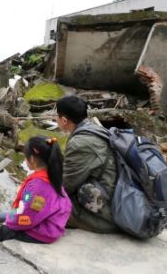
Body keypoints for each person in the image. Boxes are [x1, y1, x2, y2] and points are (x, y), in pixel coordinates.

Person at [55, 95, 119, 233]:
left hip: (110, 214)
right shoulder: (96, 129)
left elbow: (66, 185)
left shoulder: (80, 143)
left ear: (64, 120)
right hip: (116, 198)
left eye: (57, 116)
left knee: (49, 208)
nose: (56, 119)